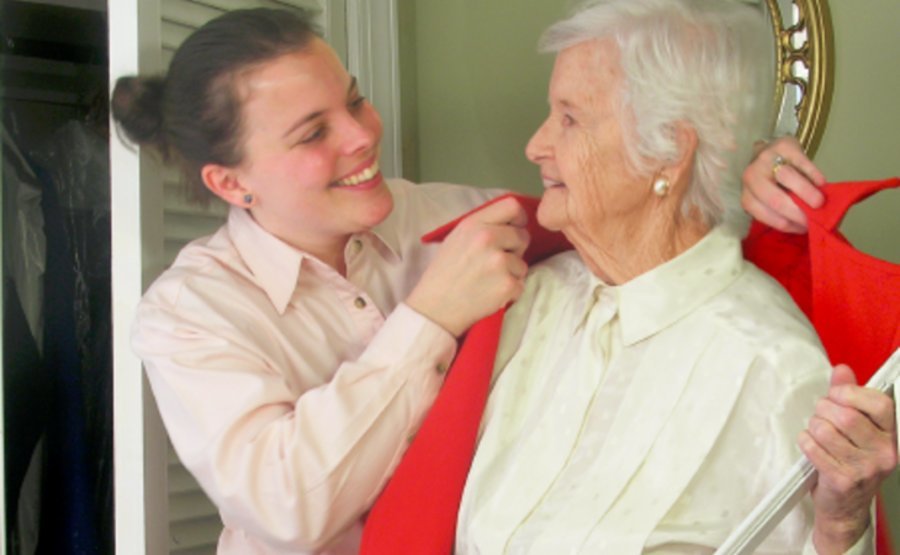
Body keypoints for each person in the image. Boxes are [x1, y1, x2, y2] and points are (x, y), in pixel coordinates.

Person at [110, 6, 881, 555]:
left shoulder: (458, 222)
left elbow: (641, 225)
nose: (360, 135)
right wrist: (428, 319)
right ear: (230, 182)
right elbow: (287, 506)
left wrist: (757, 187)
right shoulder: (188, 313)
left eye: (352, 100)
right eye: (314, 133)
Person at [456, 1, 897, 554]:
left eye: (570, 118)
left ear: (669, 155)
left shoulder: (772, 368)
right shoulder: (526, 300)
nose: (536, 145)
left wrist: (839, 530)